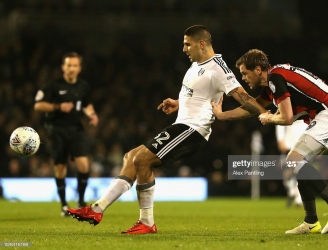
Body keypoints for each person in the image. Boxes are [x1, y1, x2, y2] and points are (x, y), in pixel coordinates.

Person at [67, 25, 267, 234]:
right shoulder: (197, 65)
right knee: (131, 156)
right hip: (182, 125)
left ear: (201, 44)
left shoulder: (218, 68)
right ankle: (97, 209)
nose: (184, 49)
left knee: (142, 160)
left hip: (193, 129)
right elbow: (198, 95)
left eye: (187, 44)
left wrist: (265, 114)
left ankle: (146, 222)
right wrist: (178, 102)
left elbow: (243, 96)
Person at [212, 49, 328, 234]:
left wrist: (269, 118)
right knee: (297, 161)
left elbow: (286, 118)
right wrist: (222, 116)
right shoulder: (273, 79)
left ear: (257, 69)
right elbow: (252, 107)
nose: (244, 79)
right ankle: (311, 221)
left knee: (294, 160)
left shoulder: (275, 78)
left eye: (245, 73)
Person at [34, 52, 99, 217]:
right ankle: (64, 205)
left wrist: (92, 114)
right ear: (63, 67)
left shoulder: (83, 86)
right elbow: (38, 105)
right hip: (56, 130)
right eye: (69, 65)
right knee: (60, 167)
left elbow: (86, 104)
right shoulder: (53, 86)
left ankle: (81, 202)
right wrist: (57, 107)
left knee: (84, 165)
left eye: (75, 65)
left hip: (76, 129)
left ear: (79, 68)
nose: (72, 68)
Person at [276, 121, 307, 207]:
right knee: (287, 174)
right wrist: (280, 139)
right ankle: (292, 191)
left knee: (300, 172)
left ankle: (298, 199)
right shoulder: (288, 107)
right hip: (288, 144)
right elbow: (279, 120)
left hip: (304, 145)